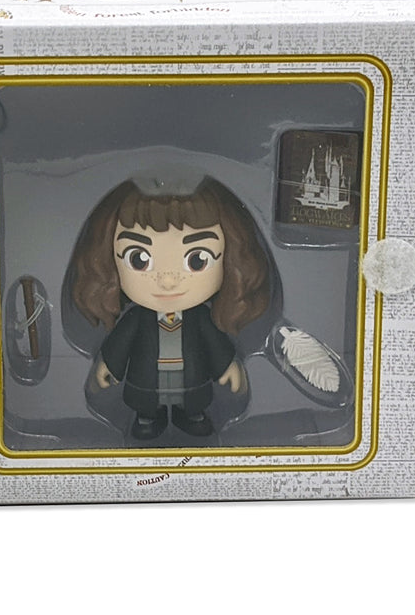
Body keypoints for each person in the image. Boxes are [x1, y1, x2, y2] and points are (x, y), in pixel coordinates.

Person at [68, 172, 270, 440]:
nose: (167, 280)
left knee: (193, 403)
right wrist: (108, 364)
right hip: (148, 380)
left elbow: (215, 342)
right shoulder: (137, 319)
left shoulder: (201, 318)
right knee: (147, 406)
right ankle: (148, 418)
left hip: (192, 380)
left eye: (198, 259)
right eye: (138, 259)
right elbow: (121, 341)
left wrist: (228, 365)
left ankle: (192, 415)